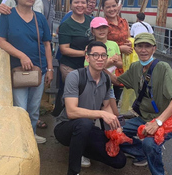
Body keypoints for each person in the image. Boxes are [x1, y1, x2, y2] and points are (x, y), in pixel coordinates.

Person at [105, 33, 172, 175]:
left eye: (147, 46)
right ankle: (141, 154)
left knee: (150, 143)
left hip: (165, 120)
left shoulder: (163, 67)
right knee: (112, 130)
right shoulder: (135, 67)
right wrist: (102, 68)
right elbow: (117, 81)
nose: (143, 50)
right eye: (140, 46)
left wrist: (157, 122)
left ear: (154, 48)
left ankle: (158, 172)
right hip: (143, 118)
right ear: (135, 49)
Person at [0, 0, 54, 144]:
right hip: (17, 70)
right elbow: (1, 41)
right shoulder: (8, 15)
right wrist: (21, 55)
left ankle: (31, 135)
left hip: (38, 70)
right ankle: (20, 139)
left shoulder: (39, 18)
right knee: (20, 107)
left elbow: (47, 44)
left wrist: (49, 68)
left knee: (34, 109)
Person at [54, 41, 126, 175]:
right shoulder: (75, 76)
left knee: (119, 161)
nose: (100, 59)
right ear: (87, 57)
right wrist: (100, 114)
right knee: (84, 123)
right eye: (95, 55)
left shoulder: (106, 78)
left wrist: (116, 126)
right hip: (65, 127)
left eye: (103, 55)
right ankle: (73, 171)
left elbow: (106, 107)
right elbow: (71, 111)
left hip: (87, 129)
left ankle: (81, 148)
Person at [85, 17, 123, 115]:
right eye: (98, 28)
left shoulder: (114, 45)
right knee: (91, 113)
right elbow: (87, 67)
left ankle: (113, 130)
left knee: (114, 114)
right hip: (93, 85)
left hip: (108, 85)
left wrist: (114, 61)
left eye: (104, 27)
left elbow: (120, 64)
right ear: (93, 31)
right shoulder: (90, 47)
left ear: (108, 29)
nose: (101, 30)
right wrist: (109, 62)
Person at [102, 0, 132, 101]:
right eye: (108, 7)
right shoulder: (103, 24)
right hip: (109, 63)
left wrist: (130, 45)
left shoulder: (124, 22)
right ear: (103, 9)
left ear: (118, 6)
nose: (112, 9)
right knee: (106, 97)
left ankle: (113, 116)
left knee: (117, 96)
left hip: (122, 63)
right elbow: (100, 44)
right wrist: (120, 48)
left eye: (114, 6)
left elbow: (128, 39)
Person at [58, 0, 92, 81]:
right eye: (76, 2)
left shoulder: (91, 21)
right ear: (71, 5)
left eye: (83, 2)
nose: (80, 5)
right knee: (73, 93)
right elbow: (64, 49)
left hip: (89, 66)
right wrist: (85, 53)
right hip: (71, 67)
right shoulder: (66, 25)